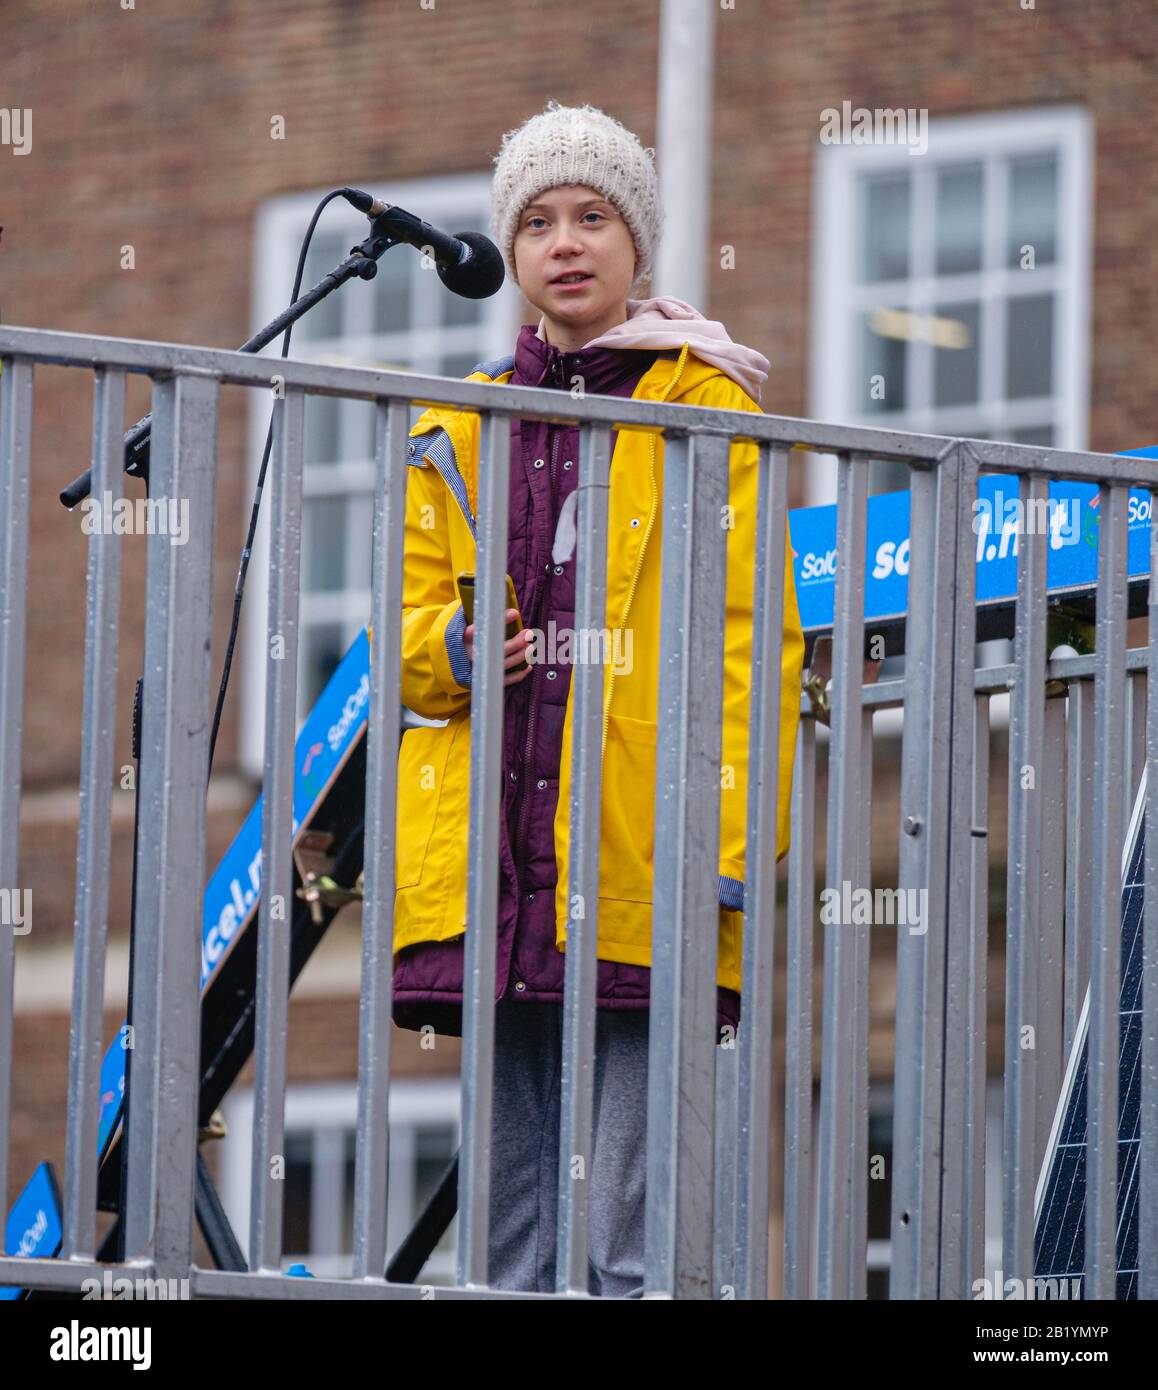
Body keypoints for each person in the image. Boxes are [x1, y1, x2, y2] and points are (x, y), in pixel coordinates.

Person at [391, 99, 805, 1296]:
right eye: (535, 221)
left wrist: (726, 846)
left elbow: (750, 646)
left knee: (632, 1213)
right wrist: (460, 648)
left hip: (641, 848)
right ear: (510, 255)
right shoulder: (455, 421)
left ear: (638, 242)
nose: (564, 241)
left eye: (593, 215)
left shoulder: (706, 409)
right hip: (497, 848)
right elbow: (401, 644)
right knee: (511, 1207)